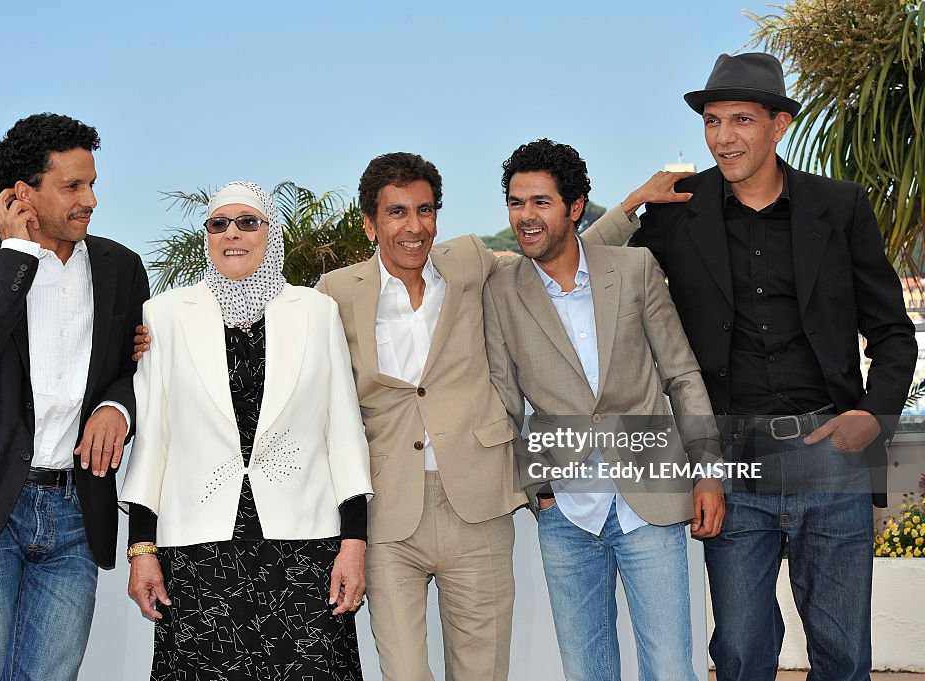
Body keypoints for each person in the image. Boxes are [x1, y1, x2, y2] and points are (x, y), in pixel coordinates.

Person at [130, 156, 693, 681]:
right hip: (388, 513)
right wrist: (141, 345)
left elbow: (555, 251)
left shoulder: (471, 261)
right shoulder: (333, 295)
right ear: (370, 224)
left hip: (478, 504)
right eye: (396, 212)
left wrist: (631, 207)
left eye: (425, 211)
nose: (414, 226)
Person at [588, 53, 918, 681]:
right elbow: (586, 273)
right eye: (712, 121)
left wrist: (872, 418)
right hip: (728, 461)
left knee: (844, 656)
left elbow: (893, 333)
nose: (723, 137)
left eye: (741, 119)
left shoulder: (840, 206)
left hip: (831, 454)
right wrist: (634, 201)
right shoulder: (675, 212)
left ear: (780, 124)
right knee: (739, 654)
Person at [482, 138, 723, 681]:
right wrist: (532, 484)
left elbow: (682, 376)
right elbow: (503, 399)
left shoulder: (634, 269)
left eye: (540, 202)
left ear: (574, 206)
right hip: (564, 511)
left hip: (650, 501)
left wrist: (708, 471)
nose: (525, 216)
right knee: (587, 671)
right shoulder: (501, 291)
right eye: (516, 203)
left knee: (669, 668)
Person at [0, 113, 149, 681]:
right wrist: (15, 258)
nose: (90, 199)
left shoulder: (121, 268)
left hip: (76, 509)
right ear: (23, 194)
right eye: (72, 186)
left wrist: (117, 407)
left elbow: (136, 368)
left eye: (92, 183)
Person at [120, 181, 373, 681]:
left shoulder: (316, 312)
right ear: (207, 236)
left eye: (247, 222)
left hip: (306, 544)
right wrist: (141, 550)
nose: (232, 233)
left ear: (269, 233)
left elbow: (342, 430)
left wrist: (354, 542)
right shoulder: (164, 316)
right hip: (197, 549)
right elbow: (155, 440)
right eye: (219, 223)